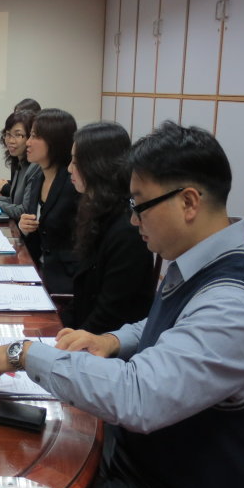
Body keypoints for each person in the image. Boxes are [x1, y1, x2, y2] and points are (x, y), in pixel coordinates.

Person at [0, 122, 244, 488]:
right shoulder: (201, 263)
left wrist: (24, 353)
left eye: (140, 205)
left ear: (188, 202)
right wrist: (113, 340)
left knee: (26, 487)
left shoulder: (236, 306)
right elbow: (171, 326)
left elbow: (138, 395)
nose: (133, 220)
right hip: (145, 460)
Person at [62, 122, 156, 333]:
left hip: (110, 344)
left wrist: (65, 344)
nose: (69, 168)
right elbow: (82, 295)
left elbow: (110, 315)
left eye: (75, 162)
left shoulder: (127, 230)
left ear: (97, 165)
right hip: (84, 334)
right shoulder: (96, 209)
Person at [18, 109, 79, 294]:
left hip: (65, 283)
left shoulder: (73, 184)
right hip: (37, 272)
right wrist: (24, 227)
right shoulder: (38, 179)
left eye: (35, 136)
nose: (28, 142)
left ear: (55, 142)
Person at [0, 109, 40, 219]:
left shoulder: (34, 167)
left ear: (31, 137)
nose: (10, 140)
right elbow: (14, 200)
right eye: (8, 134)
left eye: (18, 135)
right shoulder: (20, 163)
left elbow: (25, 211)